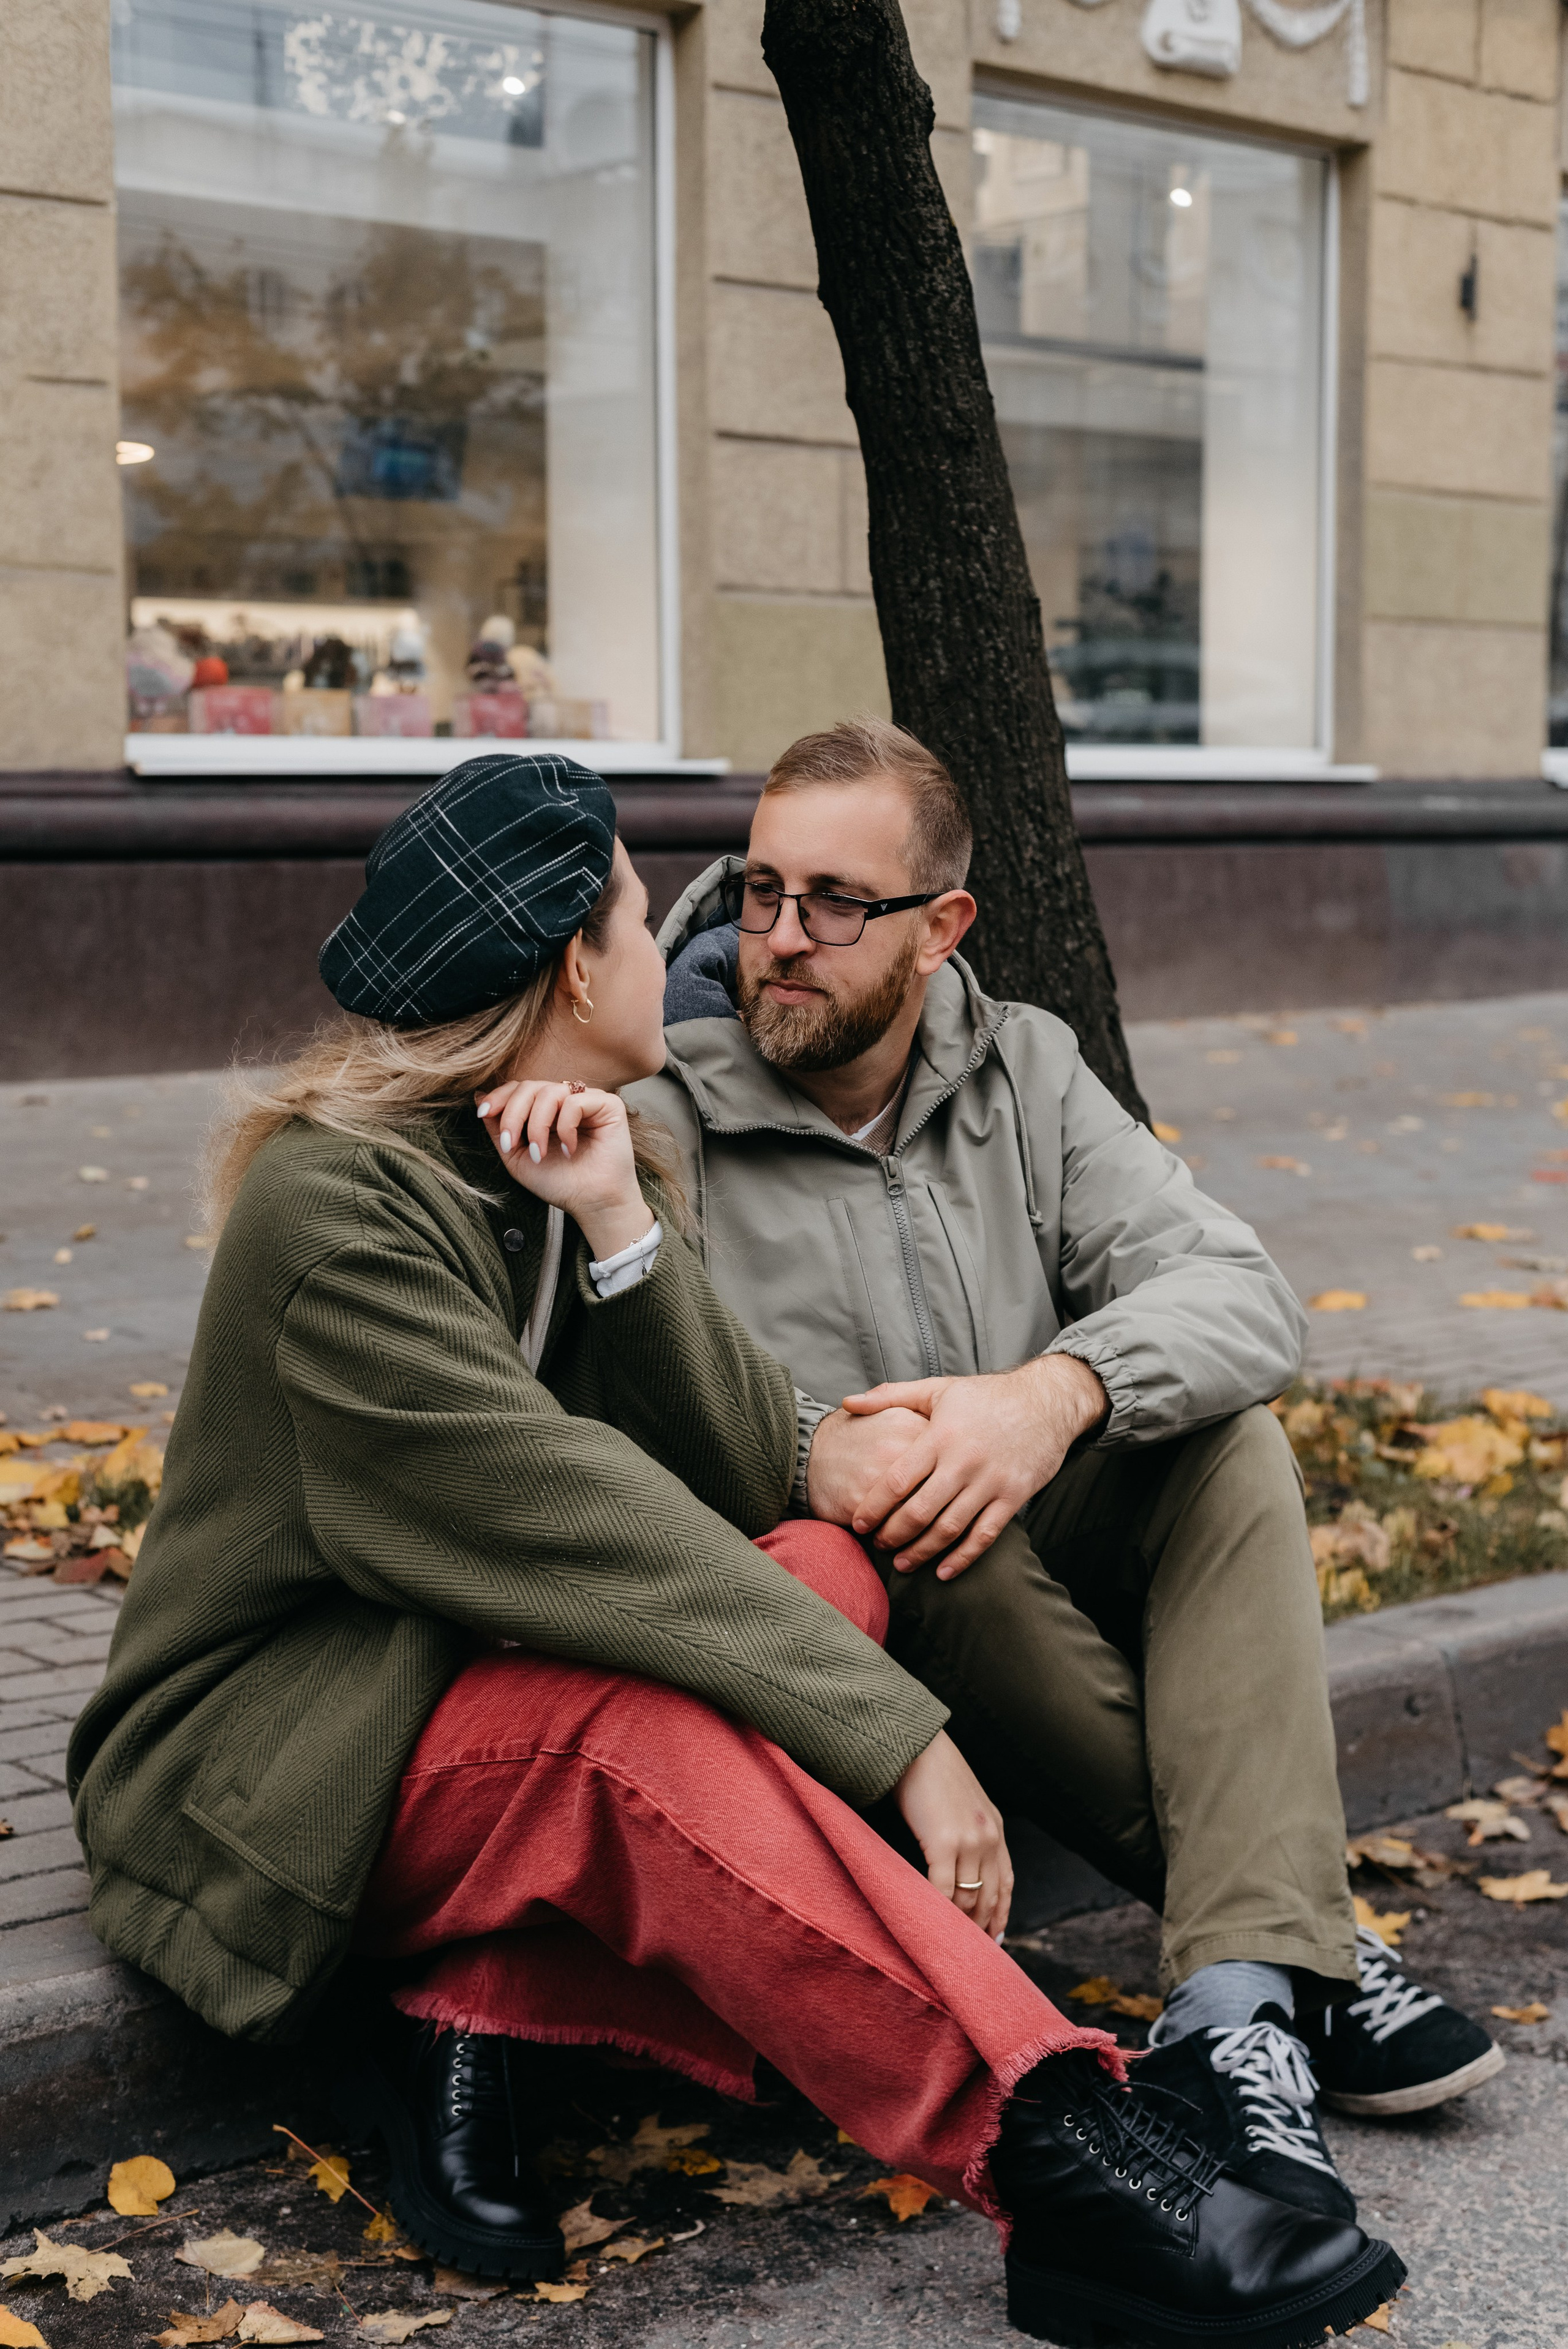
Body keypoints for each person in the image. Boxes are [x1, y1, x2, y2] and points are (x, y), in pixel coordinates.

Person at [66, 752, 1402, 2346]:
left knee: (825, 1572)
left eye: (807, 901)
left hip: (482, 1686)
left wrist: (621, 1231)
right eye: (656, 915)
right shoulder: (335, 1208)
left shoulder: (567, 1149)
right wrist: (905, 1738)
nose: (706, 946)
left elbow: (734, 1462)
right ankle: (1056, 2138)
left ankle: (467, 2003)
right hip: (286, 1742)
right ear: (575, 963)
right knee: (644, 1722)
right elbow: (569, 1508)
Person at [635, 716, 1504, 2222]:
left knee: (1220, 1436)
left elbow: (1238, 1290)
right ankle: (1293, 1947)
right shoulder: (667, 1110)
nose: (781, 938)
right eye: (759, 891)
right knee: (917, 1507)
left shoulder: (1019, 1065)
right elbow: (650, 1406)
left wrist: (1052, 1394)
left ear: (938, 928)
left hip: (1033, 1538)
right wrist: (848, 1449)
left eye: (835, 901)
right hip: (839, 1599)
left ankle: (1233, 2002)